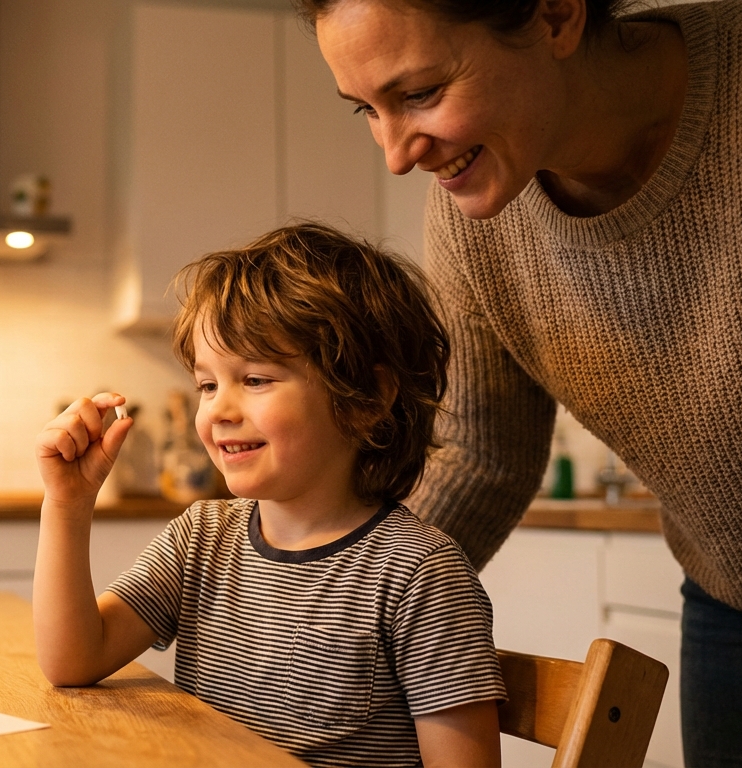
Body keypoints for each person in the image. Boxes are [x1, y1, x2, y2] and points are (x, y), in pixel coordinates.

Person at [298, 0, 742, 764]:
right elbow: (480, 458)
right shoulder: (472, 220)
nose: (394, 153)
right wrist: (333, 614)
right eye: (367, 108)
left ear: (556, 16)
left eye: (420, 94)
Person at [32, 223, 506, 767]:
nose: (219, 411)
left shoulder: (418, 572)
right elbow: (73, 659)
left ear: (368, 398)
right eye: (207, 385)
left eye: (255, 379)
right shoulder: (201, 539)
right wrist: (67, 504)